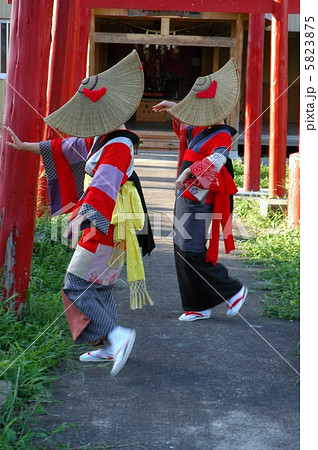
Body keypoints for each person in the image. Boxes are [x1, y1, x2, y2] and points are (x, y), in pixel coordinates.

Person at [5, 50, 155, 376]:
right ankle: (107, 345)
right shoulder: (104, 139)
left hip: (106, 225)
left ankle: (116, 336)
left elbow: (104, 187)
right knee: (98, 288)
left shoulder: (117, 145)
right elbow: (63, 148)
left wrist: (80, 220)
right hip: (114, 226)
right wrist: (24, 147)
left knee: (75, 286)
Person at [152, 58, 247, 322]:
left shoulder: (223, 134)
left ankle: (233, 289)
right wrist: (174, 106)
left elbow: (218, 161)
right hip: (185, 195)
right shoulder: (199, 128)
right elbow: (186, 119)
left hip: (200, 197)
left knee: (192, 249)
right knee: (181, 248)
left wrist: (189, 171)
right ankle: (197, 305)